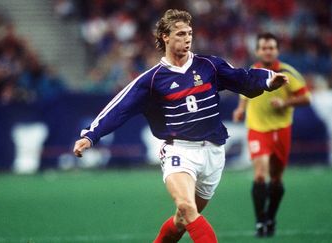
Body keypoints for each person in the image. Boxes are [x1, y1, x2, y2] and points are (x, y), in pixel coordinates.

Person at [73, 10, 288, 243]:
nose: (187, 39)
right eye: (180, 34)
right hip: (179, 151)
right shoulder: (152, 79)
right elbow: (120, 107)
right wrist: (91, 136)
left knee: (181, 220)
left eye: (190, 34)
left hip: (214, 152)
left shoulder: (210, 66)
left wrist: (267, 80)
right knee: (186, 208)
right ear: (165, 36)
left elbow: (242, 78)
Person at [232, 33, 310, 237]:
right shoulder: (252, 72)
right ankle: (259, 221)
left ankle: (270, 217)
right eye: (264, 48)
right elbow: (244, 93)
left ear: (277, 50)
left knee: (276, 179)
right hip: (257, 129)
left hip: (281, 129)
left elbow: (306, 98)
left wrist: (285, 103)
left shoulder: (287, 72)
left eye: (271, 48)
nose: (268, 51)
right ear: (257, 51)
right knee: (260, 174)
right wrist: (240, 109)